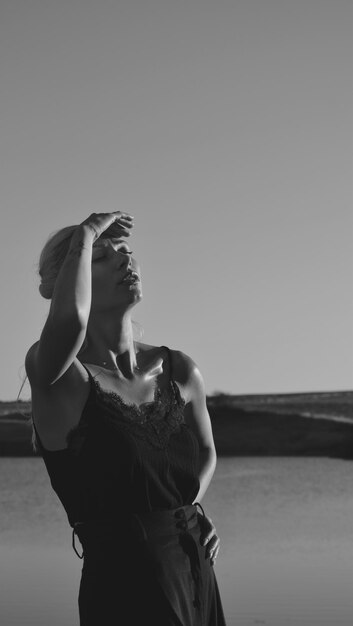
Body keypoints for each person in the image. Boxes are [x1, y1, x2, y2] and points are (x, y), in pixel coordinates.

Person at [25, 211, 227, 625]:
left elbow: (205, 453)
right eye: (100, 256)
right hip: (123, 586)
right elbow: (70, 321)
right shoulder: (59, 378)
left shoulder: (179, 369)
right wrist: (84, 234)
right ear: (70, 281)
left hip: (195, 572)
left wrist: (187, 512)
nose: (124, 261)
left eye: (127, 252)